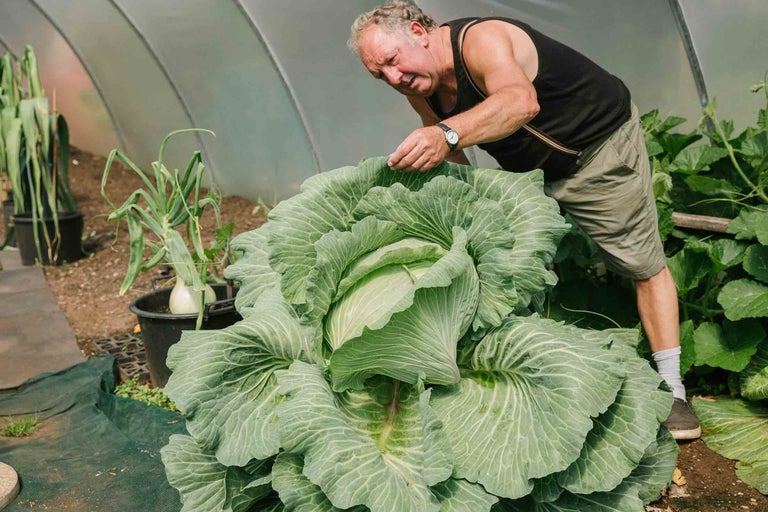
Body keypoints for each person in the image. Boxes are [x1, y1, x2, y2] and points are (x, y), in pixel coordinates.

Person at [348, 1, 700, 440]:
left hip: (597, 149)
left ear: (419, 31)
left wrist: (445, 135)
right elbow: (453, 153)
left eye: (392, 62)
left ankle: (673, 389)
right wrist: (469, 208)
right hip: (531, 170)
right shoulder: (420, 85)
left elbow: (519, 103)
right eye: (379, 75)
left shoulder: (481, 40)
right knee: (510, 267)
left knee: (640, 264)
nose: (393, 79)